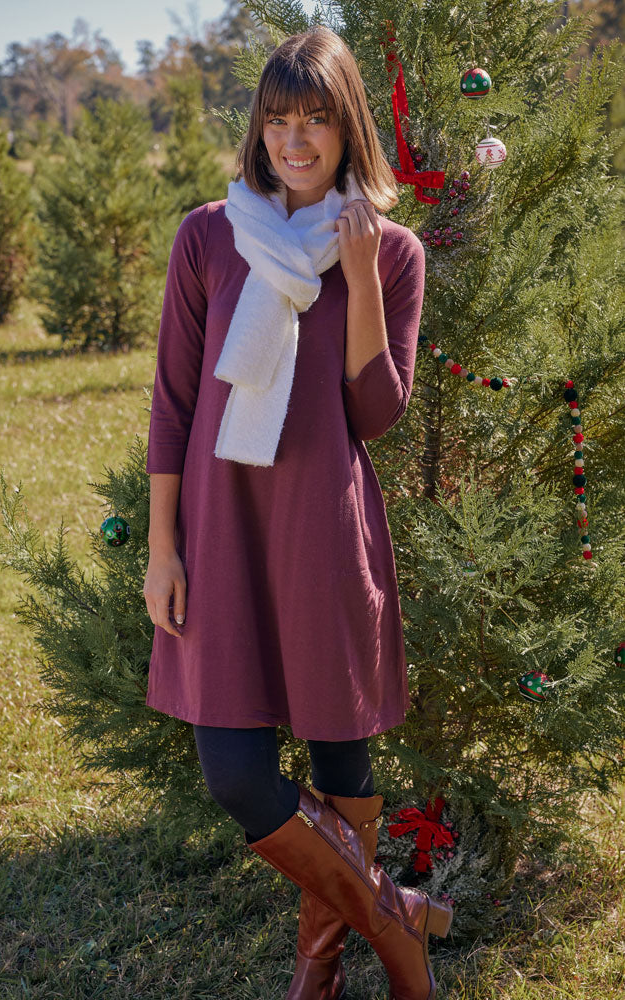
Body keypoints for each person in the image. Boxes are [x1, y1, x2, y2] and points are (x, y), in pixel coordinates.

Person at [143, 24, 452, 1000]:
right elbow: (174, 401)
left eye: (314, 118)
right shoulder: (209, 234)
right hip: (224, 527)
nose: (294, 140)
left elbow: (375, 412)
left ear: (345, 124)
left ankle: (316, 968)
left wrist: (356, 278)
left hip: (323, 528)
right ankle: (394, 923)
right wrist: (163, 547)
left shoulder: (389, 252)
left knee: (339, 749)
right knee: (233, 769)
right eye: (278, 119)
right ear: (259, 130)